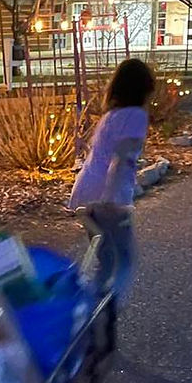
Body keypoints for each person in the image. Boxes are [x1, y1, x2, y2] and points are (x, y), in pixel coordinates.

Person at [67, 57, 156, 303]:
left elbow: (100, 154)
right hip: (107, 196)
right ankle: (106, 312)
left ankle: (89, 311)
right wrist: (111, 198)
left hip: (84, 192)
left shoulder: (111, 116)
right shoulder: (136, 116)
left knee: (105, 259)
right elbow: (120, 159)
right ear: (143, 88)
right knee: (125, 259)